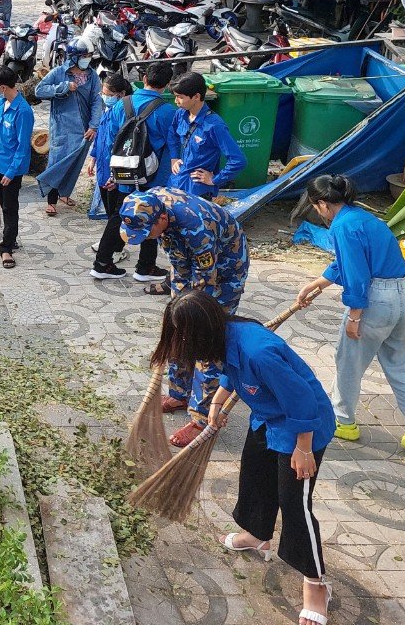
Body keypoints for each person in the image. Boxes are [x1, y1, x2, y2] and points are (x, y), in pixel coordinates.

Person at [150, 291, 335, 625]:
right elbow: (229, 373)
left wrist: (304, 449)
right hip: (267, 417)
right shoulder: (224, 338)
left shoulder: (258, 352)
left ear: (202, 332)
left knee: (294, 502)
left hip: (303, 426)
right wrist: (217, 404)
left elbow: (303, 400)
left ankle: (315, 582)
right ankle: (257, 534)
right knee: (254, 477)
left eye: (182, 337)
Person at [296, 175, 405, 460]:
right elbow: (351, 262)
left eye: (316, 208)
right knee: (400, 367)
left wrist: (354, 317)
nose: (318, 213)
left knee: (349, 362)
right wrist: (317, 283)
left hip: (376, 301)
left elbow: (356, 274)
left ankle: (343, 421)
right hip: (404, 295)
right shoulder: (363, 218)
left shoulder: (342, 227)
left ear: (323, 204)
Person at [120, 187, 251, 447]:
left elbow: (205, 281)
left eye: (147, 233)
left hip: (224, 271)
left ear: (161, 219)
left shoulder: (197, 227)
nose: (146, 239)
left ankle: (202, 419)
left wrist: (188, 318)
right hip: (186, 261)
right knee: (177, 329)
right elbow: (181, 267)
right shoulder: (151, 201)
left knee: (206, 339)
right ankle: (179, 393)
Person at [89, 63, 179, 283]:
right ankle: (145, 267)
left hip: (124, 171)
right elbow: (175, 147)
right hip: (154, 176)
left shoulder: (122, 105)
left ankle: (101, 264)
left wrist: (113, 172)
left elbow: (111, 141)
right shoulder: (168, 111)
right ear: (167, 85)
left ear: (144, 78)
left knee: (118, 215)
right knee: (153, 216)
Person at [34, 40, 102, 216]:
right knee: (57, 162)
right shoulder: (59, 73)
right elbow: (39, 91)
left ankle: (65, 193)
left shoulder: (92, 76)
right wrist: (63, 87)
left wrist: (94, 125)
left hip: (84, 129)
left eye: (89, 56)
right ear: (74, 57)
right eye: (84, 56)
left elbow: (96, 101)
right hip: (62, 127)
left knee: (74, 163)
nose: (87, 59)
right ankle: (51, 201)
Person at [85, 72, 132, 275]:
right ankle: (112, 241)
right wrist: (93, 157)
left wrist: (117, 174)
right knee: (110, 210)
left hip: (114, 173)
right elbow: (100, 137)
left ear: (120, 94)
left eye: (108, 94)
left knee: (117, 213)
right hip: (103, 170)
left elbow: (123, 148)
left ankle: (116, 248)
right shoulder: (107, 111)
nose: (104, 97)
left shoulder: (123, 114)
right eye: (103, 93)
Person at [171, 72, 246, 199]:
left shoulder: (214, 125)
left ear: (196, 96)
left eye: (180, 97)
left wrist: (215, 180)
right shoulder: (181, 114)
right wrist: (174, 158)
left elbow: (238, 160)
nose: (176, 101)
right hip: (177, 183)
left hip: (197, 192)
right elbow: (172, 134)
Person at [0, 65, 34, 269]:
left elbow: (23, 146)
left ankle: (7, 247)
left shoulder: (23, 111)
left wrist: (11, 171)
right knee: (3, 203)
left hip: (10, 169)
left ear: (3, 87)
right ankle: (9, 238)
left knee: (10, 207)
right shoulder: (1, 102)